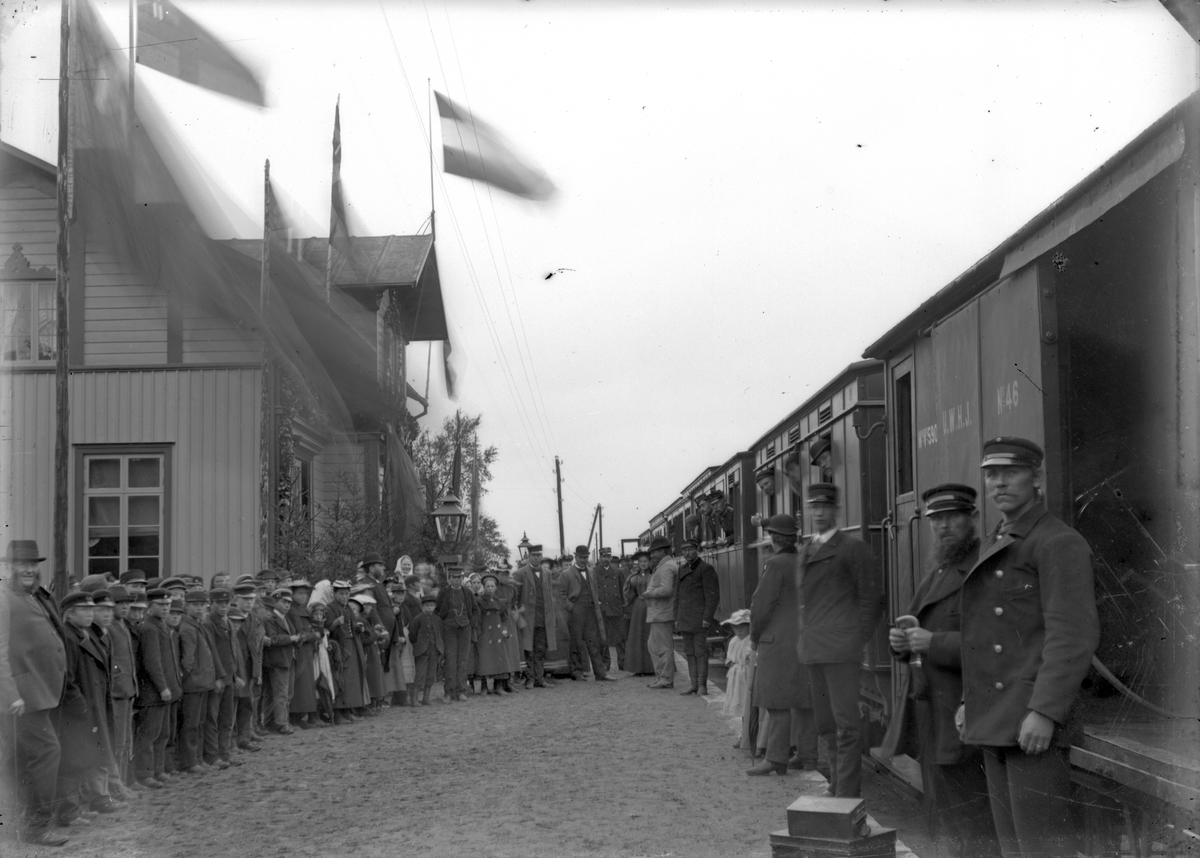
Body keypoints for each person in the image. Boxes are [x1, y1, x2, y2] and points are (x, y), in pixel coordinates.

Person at [958, 437, 1099, 858]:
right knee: (1012, 849)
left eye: (1011, 472)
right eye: (991, 474)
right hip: (998, 716)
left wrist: (1045, 711)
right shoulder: (997, 540)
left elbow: (1072, 635)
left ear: (1037, 479)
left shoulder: (1057, 541)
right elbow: (985, 634)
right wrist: (968, 700)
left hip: (1032, 720)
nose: (999, 482)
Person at [881, 483, 1000, 858]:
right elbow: (916, 626)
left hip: (965, 719)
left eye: (952, 517)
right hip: (934, 719)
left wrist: (932, 643)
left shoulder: (982, 570)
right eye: (936, 519)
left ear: (973, 518)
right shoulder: (940, 570)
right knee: (947, 819)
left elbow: (997, 645)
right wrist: (900, 643)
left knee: (970, 824)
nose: (943, 526)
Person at [797, 483, 883, 797]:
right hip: (813, 649)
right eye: (814, 507)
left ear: (836, 510)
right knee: (825, 723)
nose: (819, 513)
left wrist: (854, 641)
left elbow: (872, 600)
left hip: (840, 650)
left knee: (846, 723)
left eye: (825, 507)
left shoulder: (852, 548)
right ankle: (836, 785)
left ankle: (846, 793)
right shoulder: (808, 548)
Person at [746, 514, 816, 776]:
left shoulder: (775, 564)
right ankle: (807, 756)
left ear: (773, 538)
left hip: (778, 642)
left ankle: (776, 758)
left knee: (777, 701)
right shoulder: (805, 560)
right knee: (804, 700)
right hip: (805, 638)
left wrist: (754, 636)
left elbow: (760, 605)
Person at [52, 592, 113, 827]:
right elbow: (66, 678)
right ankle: (68, 812)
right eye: (84, 609)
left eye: (91, 609)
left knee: (81, 759)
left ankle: (75, 808)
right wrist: (80, 706)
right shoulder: (68, 637)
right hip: (75, 712)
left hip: (85, 709)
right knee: (72, 761)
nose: (90, 613)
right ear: (69, 614)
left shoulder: (80, 634)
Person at [131, 588, 178, 790]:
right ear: (150, 606)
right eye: (160, 604)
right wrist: (162, 687)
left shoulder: (160, 625)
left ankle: (158, 769)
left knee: (161, 733)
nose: (165, 608)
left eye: (168, 605)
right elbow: (152, 662)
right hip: (152, 692)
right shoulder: (149, 628)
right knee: (148, 735)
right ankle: (144, 774)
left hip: (162, 692)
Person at [178, 590, 221, 772]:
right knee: (192, 725)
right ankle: (190, 761)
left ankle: (198, 759)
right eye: (195, 605)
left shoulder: (197, 625)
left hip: (201, 683)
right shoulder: (188, 628)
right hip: (193, 685)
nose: (199, 608)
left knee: (200, 723)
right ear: (186, 606)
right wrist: (187, 680)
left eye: (202, 605)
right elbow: (187, 661)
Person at [674, 538, 720, 696]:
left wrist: (707, 617)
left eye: (690, 550)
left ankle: (702, 686)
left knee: (700, 651)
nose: (687, 553)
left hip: (699, 619)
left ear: (696, 550)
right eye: (684, 550)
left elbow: (712, 596)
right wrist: (676, 618)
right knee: (689, 651)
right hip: (685, 618)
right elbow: (677, 596)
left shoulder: (705, 569)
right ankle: (693, 684)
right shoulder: (681, 569)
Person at [562, 546, 612, 682]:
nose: (583, 560)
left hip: (590, 612)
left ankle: (601, 674)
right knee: (576, 643)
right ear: (575, 557)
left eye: (585, 557)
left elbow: (594, 590)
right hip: (575, 613)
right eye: (581, 557)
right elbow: (561, 595)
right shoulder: (566, 574)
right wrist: (571, 608)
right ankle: (576, 673)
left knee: (594, 642)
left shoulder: (591, 572)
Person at [106, 585, 139, 794]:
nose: (125, 607)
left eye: (127, 603)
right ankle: (117, 787)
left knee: (126, 740)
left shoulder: (123, 626)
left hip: (128, 690)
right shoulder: (109, 628)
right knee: (118, 741)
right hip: (117, 692)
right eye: (120, 603)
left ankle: (125, 781)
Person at [513, 546, 560, 689]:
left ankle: (540, 678)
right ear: (529, 556)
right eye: (533, 555)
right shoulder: (520, 573)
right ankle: (530, 679)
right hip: (527, 619)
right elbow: (515, 597)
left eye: (539, 555)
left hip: (543, 617)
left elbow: (549, 595)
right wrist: (518, 616)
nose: (536, 558)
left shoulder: (547, 573)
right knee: (529, 649)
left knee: (540, 649)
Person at [202, 588, 238, 768]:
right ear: (211, 604)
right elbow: (211, 651)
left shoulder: (228, 621)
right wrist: (218, 676)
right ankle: (212, 755)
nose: (224, 606)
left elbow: (233, 651)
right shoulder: (208, 623)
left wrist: (235, 674)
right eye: (219, 603)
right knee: (212, 718)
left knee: (227, 718)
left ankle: (225, 753)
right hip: (218, 678)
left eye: (227, 603)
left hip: (229, 677)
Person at [435, 569, 480, 702]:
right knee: (450, 660)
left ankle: (461, 691)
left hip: (465, 629)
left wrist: (472, 623)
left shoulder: (467, 592)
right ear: (449, 579)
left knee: (463, 661)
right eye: (453, 577)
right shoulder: (444, 592)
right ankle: (449, 693)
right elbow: (437, 610)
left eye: (458, 577)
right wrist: (441, 624)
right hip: (448, 629)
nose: (456, 580)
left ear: (462, 578)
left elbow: (475, 609)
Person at [642, 536, 679, 689]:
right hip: (659, 613)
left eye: (654, 552)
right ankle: (661, 677)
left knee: (663, 647)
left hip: (662, 613)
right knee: (653, 646)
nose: (651, 555)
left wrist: (649, 593)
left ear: (662, 551)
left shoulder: (667, 567)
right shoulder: (665, 565)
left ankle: (666, 679)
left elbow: (666, 590)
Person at [328, 580, 368, 724]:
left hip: (352, 645)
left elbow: (352, 624)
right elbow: (326, 629)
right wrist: (334, 624)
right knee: (340, 680)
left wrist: (358, 628)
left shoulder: (348, 607)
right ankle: (338, 714)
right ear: (334, 594)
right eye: (341, 594)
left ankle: (348, 711)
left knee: (351, 681)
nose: (345, 597)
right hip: (340, 648)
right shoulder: (329, 608)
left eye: (347, 593)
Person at [262, 588, 299, 734]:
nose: (287, 605)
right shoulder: (271, 619)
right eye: (283, 602)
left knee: (284, 693)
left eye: (289, 602)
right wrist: (291, 638)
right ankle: (281, 723)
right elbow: (272, 639)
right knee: (280, 694)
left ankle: (273, 722)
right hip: (277, 661)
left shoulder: (285, 618)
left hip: (288, 659)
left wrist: (298, 639)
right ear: (275, 601)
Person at [287, 580, 321, 729]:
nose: (304, 596)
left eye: (305, 594)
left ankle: (302, 715)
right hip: (300, 651)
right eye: (300, 593)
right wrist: (314, 636)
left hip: (307, 651)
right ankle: (296, 716)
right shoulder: (293, 611)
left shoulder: (303, 610)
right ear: (292, 595)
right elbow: (301, 634)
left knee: (306, 684)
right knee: (301, 684)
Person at [594, 549, 627, 673]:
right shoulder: (594, 572)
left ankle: (623, 662)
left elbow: (623, 591)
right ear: (600, 557)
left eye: (608, 556)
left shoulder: (618, 572)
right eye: (604, 556)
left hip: (616, 608)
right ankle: (605, 663)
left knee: (620, 636)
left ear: (611, 557)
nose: (606, 559)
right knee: (603, 638)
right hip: (603, 608)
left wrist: (624, 608)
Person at [622, 550, 654, 676]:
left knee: (650, 635)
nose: (643, 564)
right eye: (641, 561)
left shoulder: (654, 574)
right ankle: (638, 668)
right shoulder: (633, 576)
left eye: (645, 561)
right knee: (638, 636)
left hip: (651, 606)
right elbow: (628, 593)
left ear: (650, 562)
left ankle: (652, 668)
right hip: (639, 607)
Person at [409, 596, 444, 705]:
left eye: (431, 606)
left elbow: (440, 633)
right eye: (427, 606)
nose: (429, 608)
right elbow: (412, 635)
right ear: (422, 607)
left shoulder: (437, 619)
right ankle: (414, 699)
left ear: (435, 606)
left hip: (434, 650)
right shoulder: (418, 619)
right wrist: (419, 645)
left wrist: (439, 648)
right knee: (420, 674)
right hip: (422, 652)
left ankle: (426, 698)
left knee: (431, 675)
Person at [721, 609, 752, 719]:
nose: (738, 630)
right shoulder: (734, 641)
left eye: (742, 627)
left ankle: (749, 725)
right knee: (738, 698)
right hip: (736, 674)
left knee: (748, 700)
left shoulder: (751, 641)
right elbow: (730, 659)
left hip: (748, 673)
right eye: (735, 627)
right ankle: (744, 723)